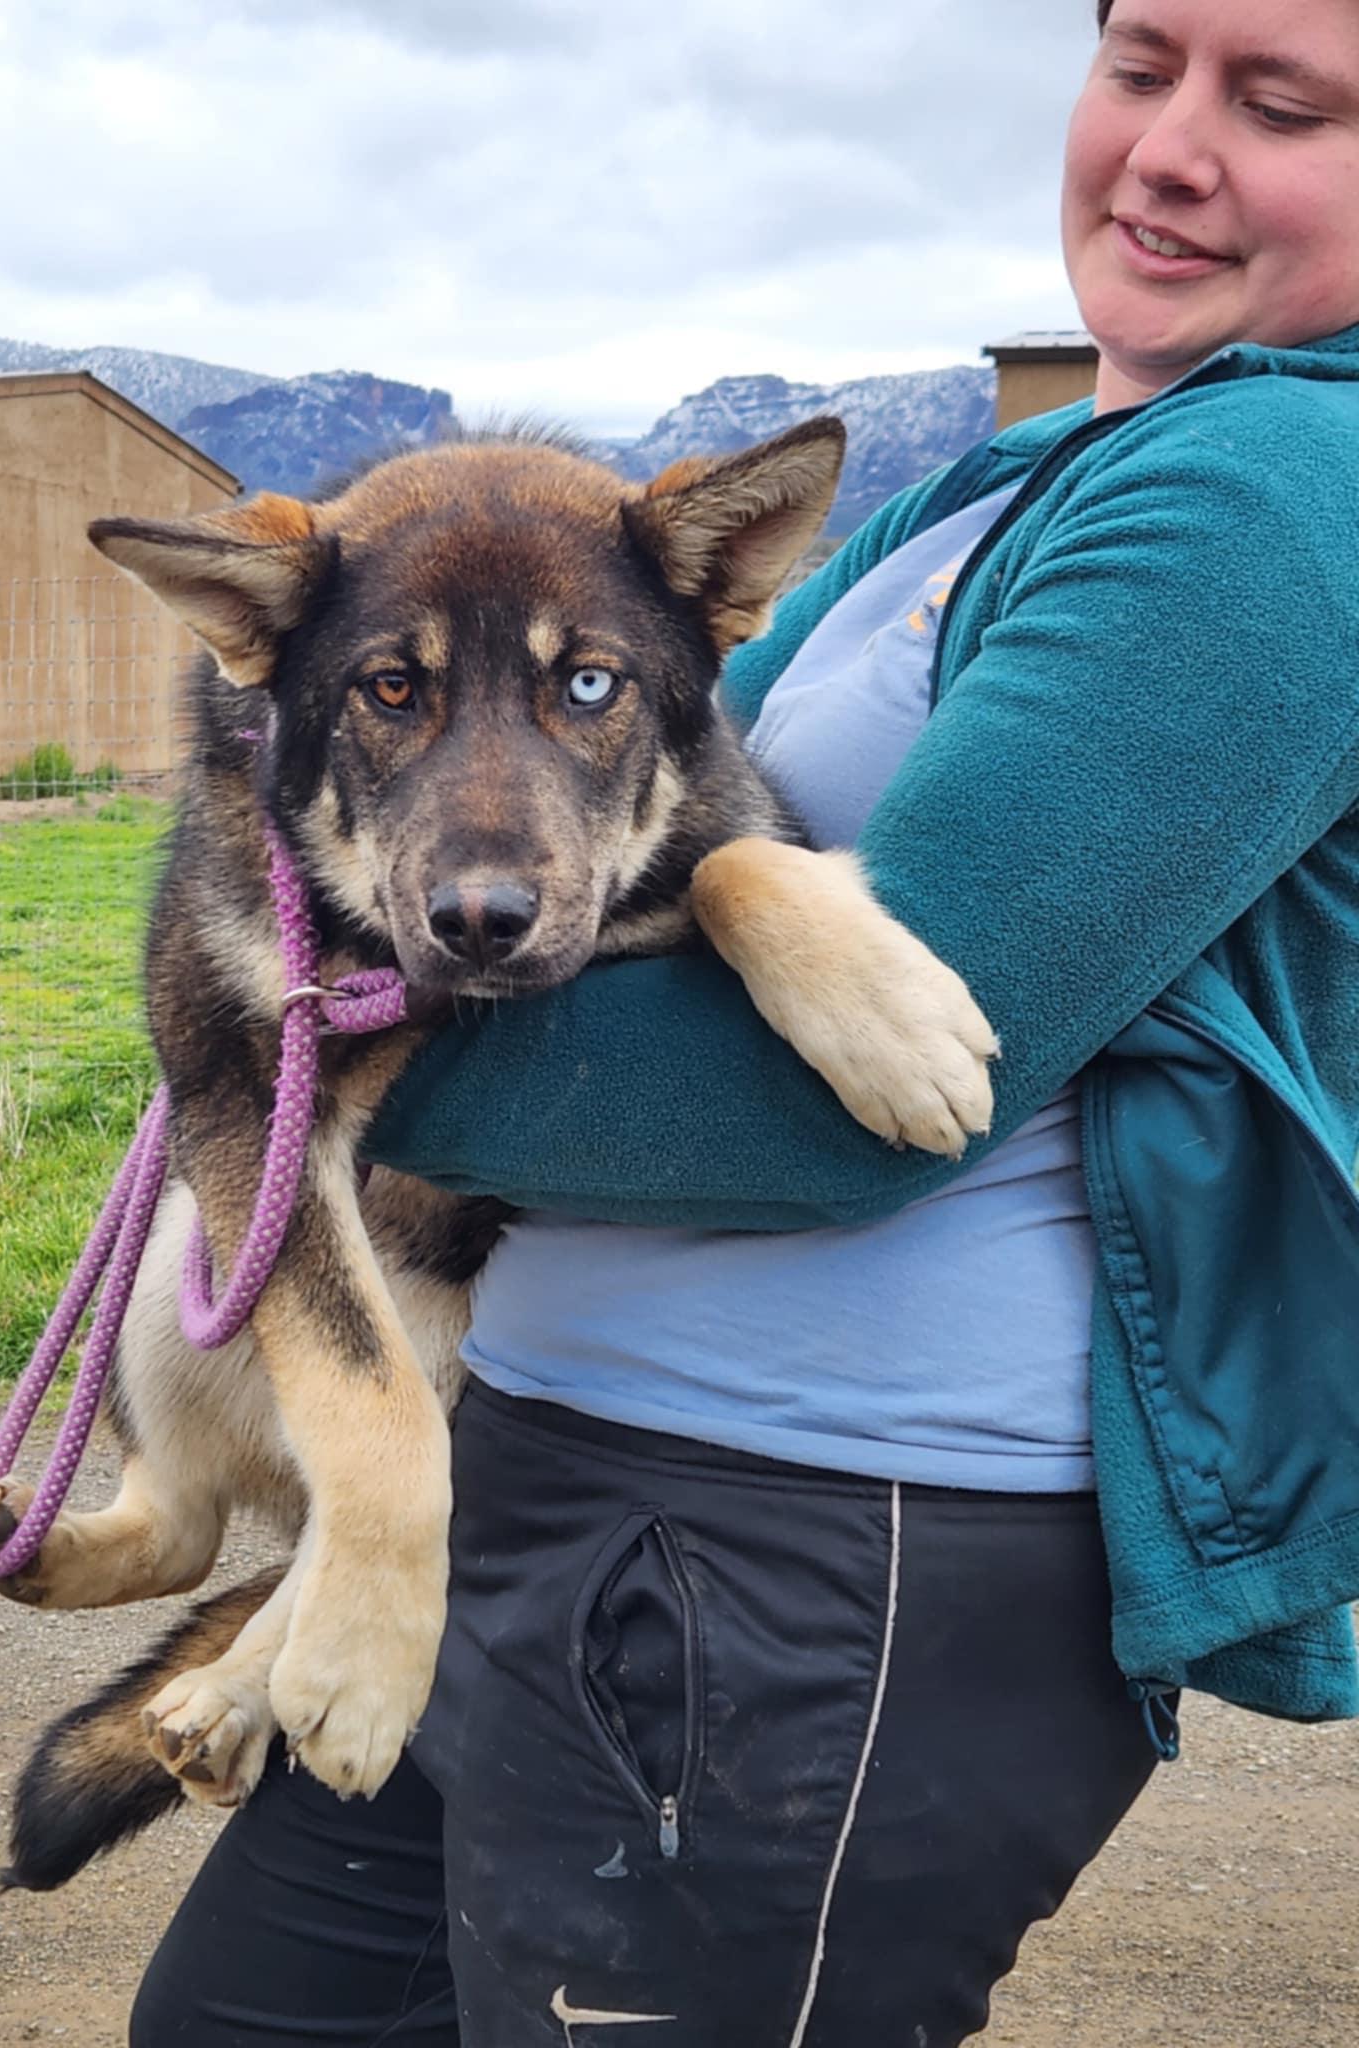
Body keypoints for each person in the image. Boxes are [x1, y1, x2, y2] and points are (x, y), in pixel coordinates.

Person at [131, 3, 1359, 2041]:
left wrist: (295, 1068)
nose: (1166, 151)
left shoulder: (1273, 500)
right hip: (559, 1481)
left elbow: (848, 1112)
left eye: (1285, 102)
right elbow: (701, 813)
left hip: (819, 1557)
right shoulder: (1015, 477)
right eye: (1143, 61)